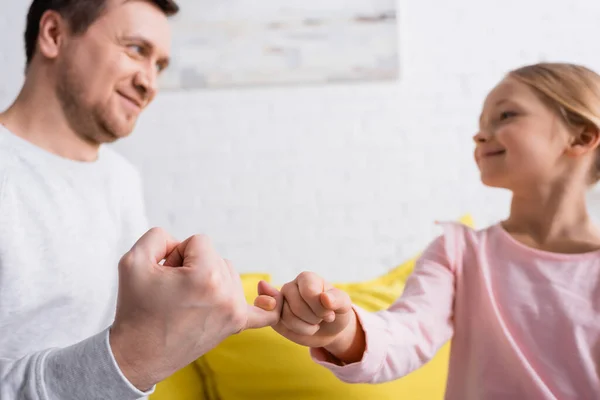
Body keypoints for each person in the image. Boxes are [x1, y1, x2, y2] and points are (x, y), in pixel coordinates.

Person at [264, 62, 600, 399]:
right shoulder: (458, 253)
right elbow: (406, 333)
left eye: (506, 115)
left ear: (582, 137)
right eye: (481, 123)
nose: (480, 134)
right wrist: (345, 330)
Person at [0, 1, 280, 399]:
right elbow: (127, 356)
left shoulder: (121, 179)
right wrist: (131, 357)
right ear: (53, 35)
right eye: (136, 49)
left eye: (160, 65)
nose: (150, 84)